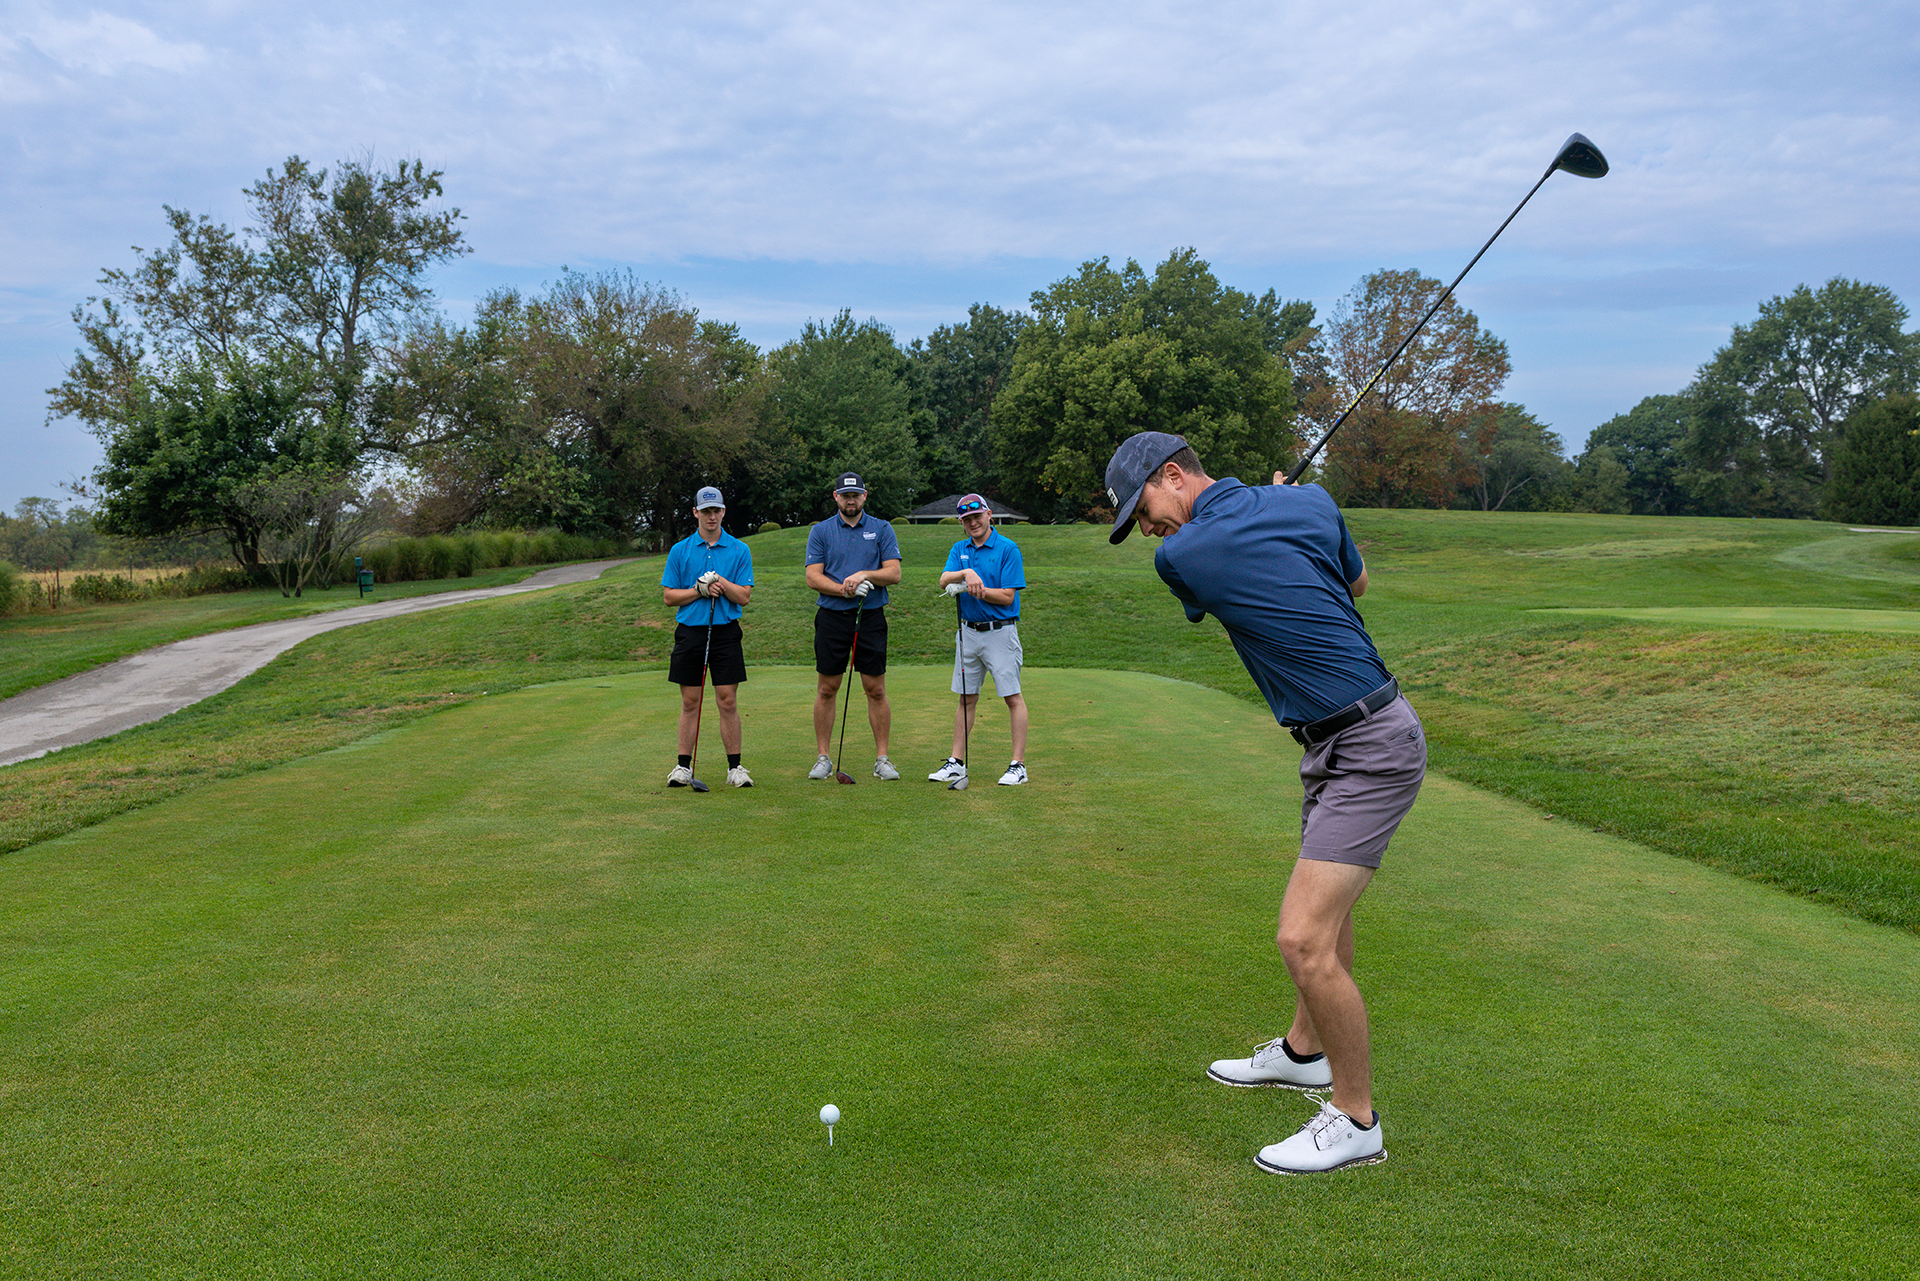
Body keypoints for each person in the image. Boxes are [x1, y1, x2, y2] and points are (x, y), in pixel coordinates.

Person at [1103, 431, 1426, 1175]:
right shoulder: (1309, 504)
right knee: (1328, 922)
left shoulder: (1182, 558)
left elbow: (1238, 556)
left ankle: (1356, 1118)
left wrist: (1263, 508)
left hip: (1371, 745)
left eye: (1143, 508)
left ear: (1174, 474)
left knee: (1302, 938)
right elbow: (1355, 585)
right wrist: (1281, 503)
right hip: (1332, 744)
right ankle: (1303, 1053)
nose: (1145, 529)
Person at [805, 472, 904, 780]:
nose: (851, 500)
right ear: (836, 497)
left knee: (875, 688)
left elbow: (894, 572)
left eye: (856, 495)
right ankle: (823, 757)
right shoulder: (821, 531)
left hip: (871, 615)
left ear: (864, 496)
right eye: (845, 495)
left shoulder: (882, 529)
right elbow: (813, 576)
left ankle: (882, 759)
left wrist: (864, 575)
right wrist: (844, 589)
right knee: (827, 688)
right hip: (832, 616)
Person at [929, 493, 1029, 786]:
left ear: (989, 516)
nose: (973, 523)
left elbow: (1007, 596)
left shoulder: (1008, 549)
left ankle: (1018, 766)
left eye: (977, 517)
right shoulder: (959, 549)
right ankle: (957, 762)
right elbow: (943, 579)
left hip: (1000, 631)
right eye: (967, 519)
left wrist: (975, 588)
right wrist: (964, 573)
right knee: (965, 698)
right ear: (962, 523)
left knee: (1012, 697)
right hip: (968, 633)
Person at [660, 486, 755, 788]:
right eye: (706, 511)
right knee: (691, 701)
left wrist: (720, 581)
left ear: (723, 512)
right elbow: (669, 597)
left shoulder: (739, 550)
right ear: (696, 513)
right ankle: (682, 767)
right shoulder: (680, 550)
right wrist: (698, 590)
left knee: (727, 700)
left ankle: (735, 768)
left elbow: (743, 597)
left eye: (716, 511)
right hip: (690, 632)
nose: (711, 516)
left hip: (725, 632)